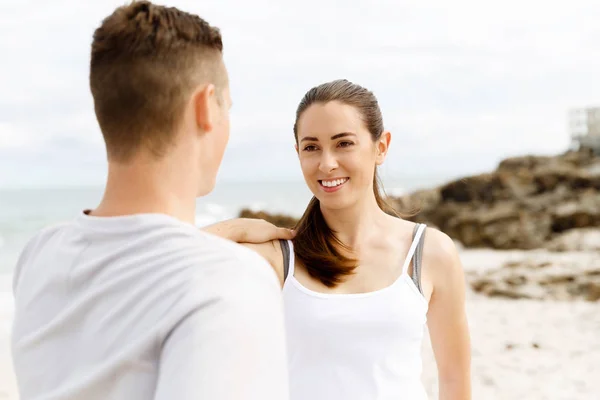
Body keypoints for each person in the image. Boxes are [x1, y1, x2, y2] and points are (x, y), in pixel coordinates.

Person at [10, 2, 292, 400]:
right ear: (205, 106)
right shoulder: (230, 282)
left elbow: (135, 253)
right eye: (227, 107)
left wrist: (221, 235)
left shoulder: (38, 257)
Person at [236, 79, 472, 399]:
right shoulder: (279, 259)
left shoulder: (430, 253)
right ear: (298, 154)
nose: (326, 163)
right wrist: (235, 230)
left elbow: (455, 380)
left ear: (381, 147)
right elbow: (164, 260)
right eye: (311, 147)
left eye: (343, 143)